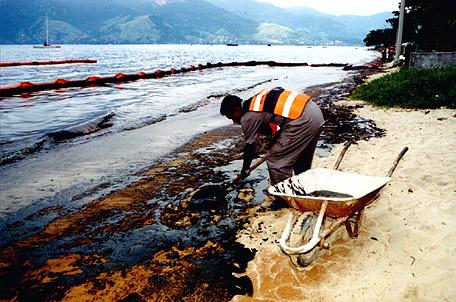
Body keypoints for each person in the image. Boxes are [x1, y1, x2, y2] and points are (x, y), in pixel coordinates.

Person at [220, 86, 325, 187]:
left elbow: (250, 147)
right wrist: (276, 140)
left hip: (302, 121)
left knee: (276, 159)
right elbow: (277, 122)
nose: (234, 121)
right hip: (315, 113)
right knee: (300, 155)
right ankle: (304, 185)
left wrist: (245, 169)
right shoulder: (259, 99)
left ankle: (282, 196)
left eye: (231, 117)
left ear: (237, 109)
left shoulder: (248, 117)